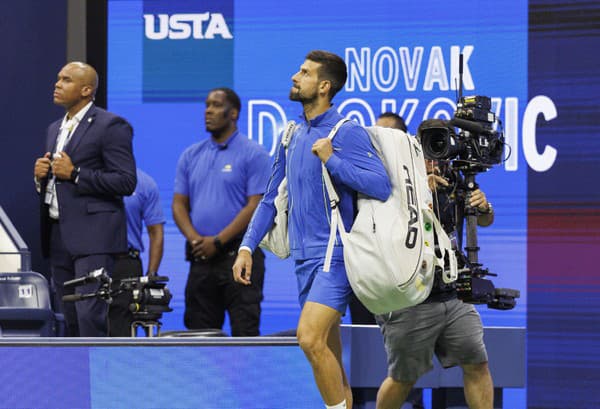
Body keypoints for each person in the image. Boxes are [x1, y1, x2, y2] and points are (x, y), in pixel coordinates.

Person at [233, 50, 391, 409]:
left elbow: (380, 185)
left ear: (324, 86)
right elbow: (270, 198)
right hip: (303, 261)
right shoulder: (291, 135)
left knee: (308, 338)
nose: (294, 76)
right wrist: (246, 247)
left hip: (336, 257)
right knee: (327, 356)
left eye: (304, 73)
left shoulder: (346, 132)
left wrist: (331, 159)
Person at [374, 119, 495, 409]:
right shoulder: (394, 178)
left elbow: (485, 220)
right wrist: (418, 193)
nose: (433, 156)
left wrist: (484, 206)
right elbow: (383, 228)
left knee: (477, 363)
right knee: (402, 378)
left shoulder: (455, 177)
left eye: (440, 145)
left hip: (454, 294)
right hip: (411, 297)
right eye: (428, 146)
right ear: (415, 146)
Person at [33, 62, 136, 337]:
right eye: (58, 78)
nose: (57, 84)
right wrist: (40, 178)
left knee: (90, 316)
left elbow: (126, 181)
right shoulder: (54, 128)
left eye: (66, 80)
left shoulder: (110, 125)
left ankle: (99, 377)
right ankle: (75, 379)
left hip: (94, 237)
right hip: (58, 234)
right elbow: (58, 182)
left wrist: (76, 174)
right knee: (69, 319)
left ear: (86, 90)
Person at [172, 87, 271, 337]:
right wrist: (196, 239)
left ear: (233, 113)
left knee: (245, 333)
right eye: (207, 104)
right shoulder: (191, 155)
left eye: (216, 105)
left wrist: (218, 241)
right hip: (201, 258)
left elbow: (255, 205)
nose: (208, 110)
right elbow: (178, 204)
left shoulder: (254, 153)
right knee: (198, 337)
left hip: (239, 257)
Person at [108, 168, 165, 337]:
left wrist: (151, 275)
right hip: (92, 259)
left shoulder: (145, 184)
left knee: (122, 330)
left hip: (127, 263)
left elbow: (156, 232)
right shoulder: (89, 178)